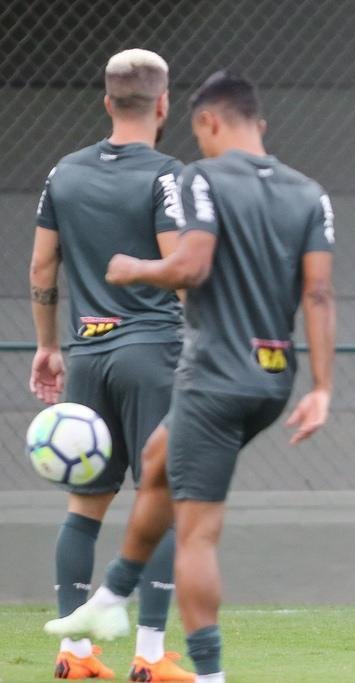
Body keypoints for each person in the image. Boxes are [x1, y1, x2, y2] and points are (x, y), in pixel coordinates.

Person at [44, 70, 336, 683]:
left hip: (213, 377)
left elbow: (191, 265)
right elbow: (320, 295)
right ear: (261, 122)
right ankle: (110, 601)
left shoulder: (198, 177)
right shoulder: (310, 193)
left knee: (196, 531)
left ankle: (206, 674)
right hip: (271, 378)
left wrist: (134, 269)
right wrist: (322, 388)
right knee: (156, 459)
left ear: (207, 122)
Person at [29, 48, 194, 681]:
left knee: (84, 506)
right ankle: (150, 658)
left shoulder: (61, 175)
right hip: (154, 353)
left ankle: (75, 652)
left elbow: (42, 268)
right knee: (163, 502)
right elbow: (179, 269)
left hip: (87, 354)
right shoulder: (167, 176)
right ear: (163, 104)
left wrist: (49, 345)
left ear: (106, 102)